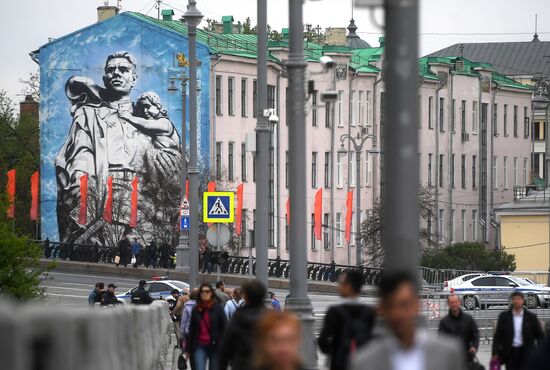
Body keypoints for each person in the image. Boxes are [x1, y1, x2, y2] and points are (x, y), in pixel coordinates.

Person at [55, 51, 181, 244]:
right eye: (111, 70)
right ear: (105, 78)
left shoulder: (148, 119)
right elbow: (79, 161)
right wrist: (84, 197)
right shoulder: (89, 115)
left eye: (123, 69)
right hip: (105, 195)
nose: (116, 73)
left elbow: (170, 169)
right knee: (104, 247)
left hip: (142, 202)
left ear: (133, 78)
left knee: (143, 249)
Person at [351, 272, 465, 370]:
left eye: (404, 305)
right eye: (391, 306)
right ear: (381, 310)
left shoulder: (448, 353)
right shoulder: (363, 362)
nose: (398, 314)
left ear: (417, 305)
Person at [318, 270, 376, 370]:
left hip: (340, 363)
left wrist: (335, 351)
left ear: (348, 286)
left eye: (341, 283)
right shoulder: (369, 312)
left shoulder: (334, 312)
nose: (339, 286)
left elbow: (322, 341)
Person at [219, 281, 268, 370]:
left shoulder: (238, 317)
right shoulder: (270, 317)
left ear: (246, 296)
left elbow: (226, 346)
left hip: (241, 364)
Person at [492, 291, 544, 370]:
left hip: (526, 352)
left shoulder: (531, 317)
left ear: (523, 301)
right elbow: (498, 336)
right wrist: (495, 353)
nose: (516, 301)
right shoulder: (504, 317)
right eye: (514, 299)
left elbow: (540, 336)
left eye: (518, 299)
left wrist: (540, 351)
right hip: (510, 353)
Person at [185, 283, 226, 370]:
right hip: (199, 345)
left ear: (211, 293)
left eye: (207, 291)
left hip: (215, 345)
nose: (204, 293)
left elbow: (224, 327)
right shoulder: (196, 309)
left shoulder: (218, 308)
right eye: (202, 292)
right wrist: (187, 350)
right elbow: (192, 330)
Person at [438, 293, 480, 364]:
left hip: (467, 356)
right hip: (451, 358)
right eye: (452, 302)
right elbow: (441, 340)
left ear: (460, 302)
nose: (454, 304)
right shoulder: (444, 322)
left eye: (456, 302)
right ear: (448, 304)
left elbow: (476, 334)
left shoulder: (468, 319)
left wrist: (474, 346)